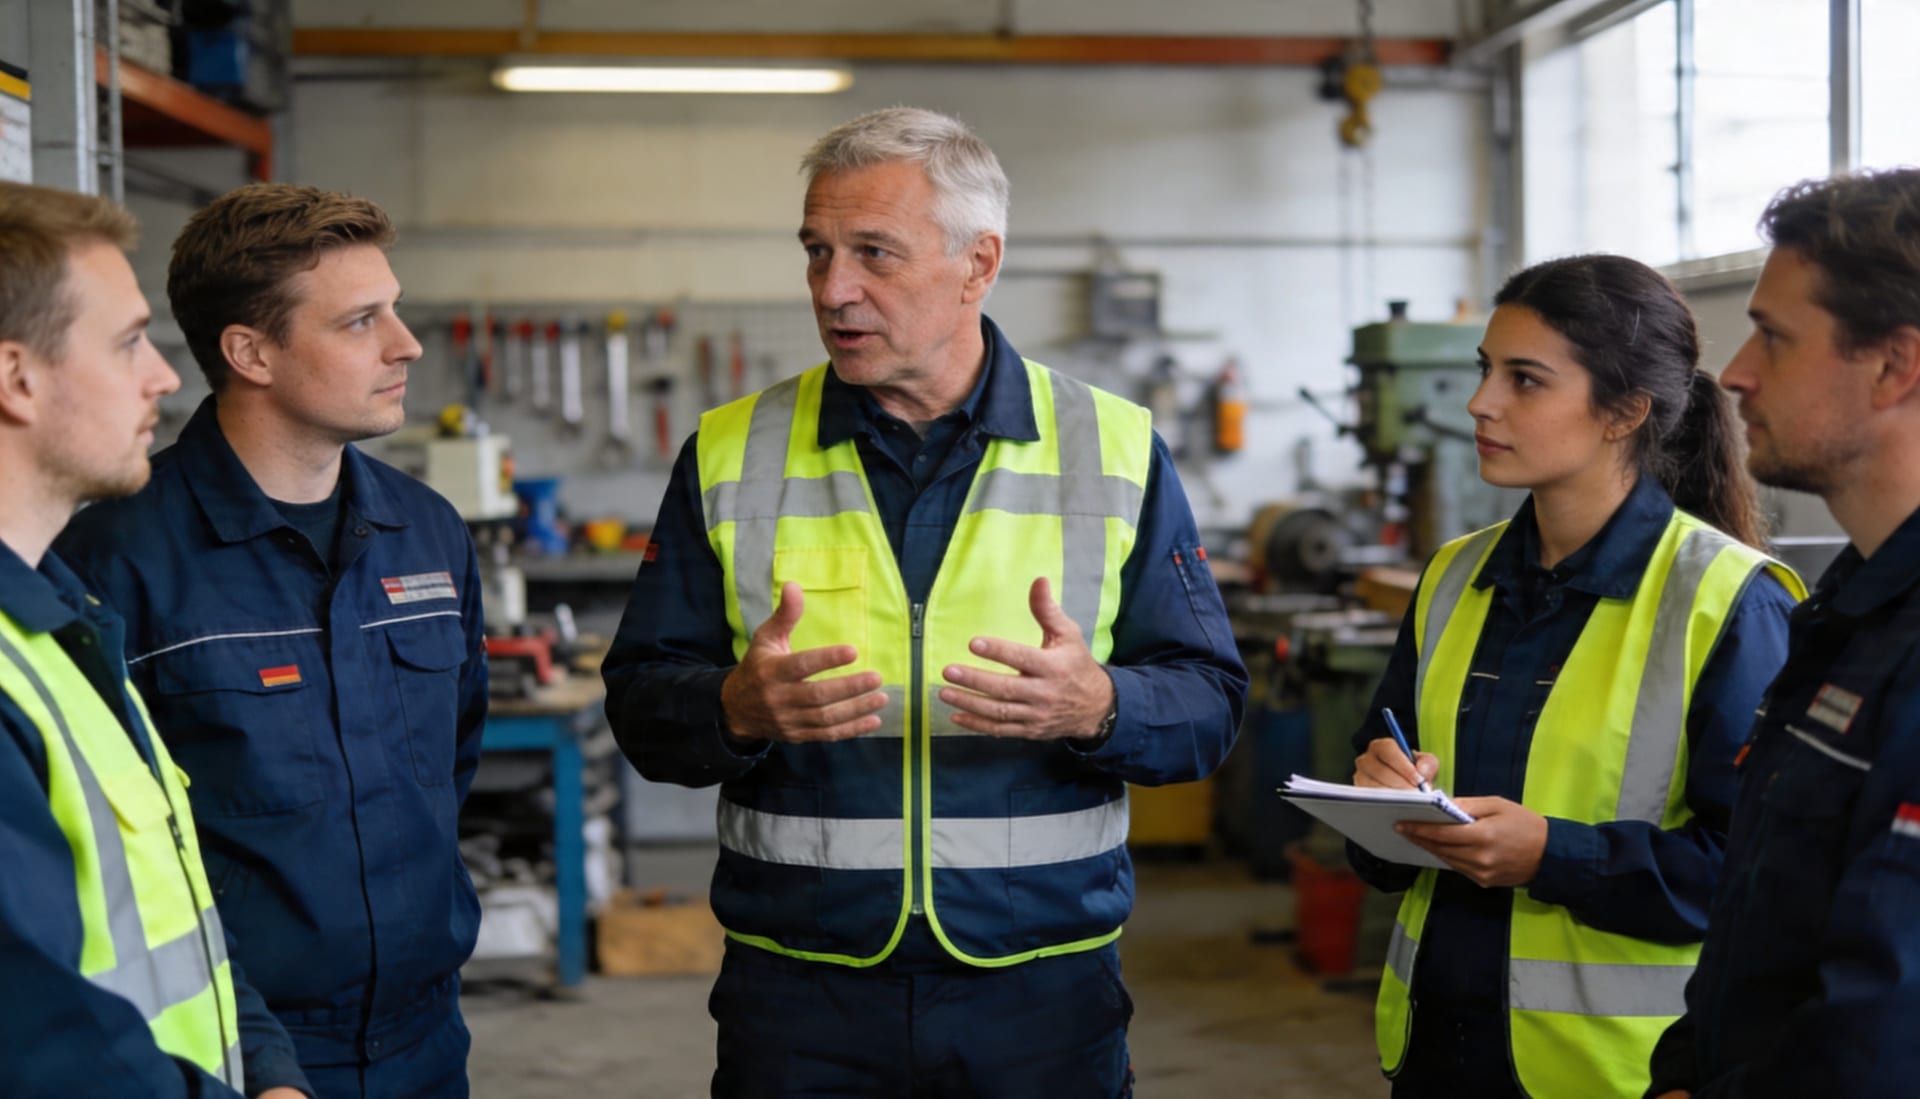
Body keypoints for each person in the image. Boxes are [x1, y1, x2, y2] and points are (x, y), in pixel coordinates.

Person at [602, 106, 1246, 1096]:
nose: (832, 289)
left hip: (1041, 986)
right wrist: (732, 706)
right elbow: (643, 701)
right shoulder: (733, 450)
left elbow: (1208, 703)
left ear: (977, 265)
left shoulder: (1112, 447)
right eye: (817, 252)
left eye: (873, 254)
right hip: (800, 988)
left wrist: (1100, 704)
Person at [54, 183, 486, 1098]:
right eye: (362, 321)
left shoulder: (429, 532)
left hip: (430, 1041)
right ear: (250, 351)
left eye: (394, 311)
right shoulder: (113, 559)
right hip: (234, 1055)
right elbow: (108, 862)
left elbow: (454, 763)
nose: (406, 344)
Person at [1346, 253, 1804, 1099]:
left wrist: (1553, 855)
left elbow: (1762, 878)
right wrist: (1377, 793)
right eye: (1486, 370)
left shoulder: (1728, 603)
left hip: (1615, 1075)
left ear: (1624, 412)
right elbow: (1372, 813)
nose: (1481, 402)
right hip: (1436, 1054)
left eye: (1526, 379)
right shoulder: (1453, 578)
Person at [0, 182, 311, 1097]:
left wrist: (267, 1068)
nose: (165, 376)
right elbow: (43, 1045)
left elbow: (177, 915)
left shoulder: (63, 622)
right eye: (129, 343)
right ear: (16, 376)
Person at [1644, 169, 1920, 1098]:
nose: (1735, 373)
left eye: (1775, 335)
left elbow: (1886, 1033)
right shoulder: (1846, 615)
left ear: (1894, 365)